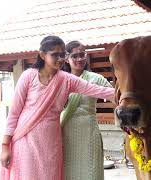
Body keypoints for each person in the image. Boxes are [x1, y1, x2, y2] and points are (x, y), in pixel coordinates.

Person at [0, 36, 114, 180]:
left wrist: (130, 95)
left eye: (62, 54)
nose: (60, 59)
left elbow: (98, 90)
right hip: (26, 139)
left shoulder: (66, 79)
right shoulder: (28, 76)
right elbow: (14, 113)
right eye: (55, 55)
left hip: (51, 142)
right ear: (42, 55)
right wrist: (5, 146)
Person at [60, 41, 112, 180]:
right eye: (75, 56)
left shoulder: (96, 78)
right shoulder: (61, 80)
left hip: (89, 132)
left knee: (91, 170)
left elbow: (116, 95)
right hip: (66, 133)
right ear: (66, 58)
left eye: (82, 54)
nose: (79, 59)